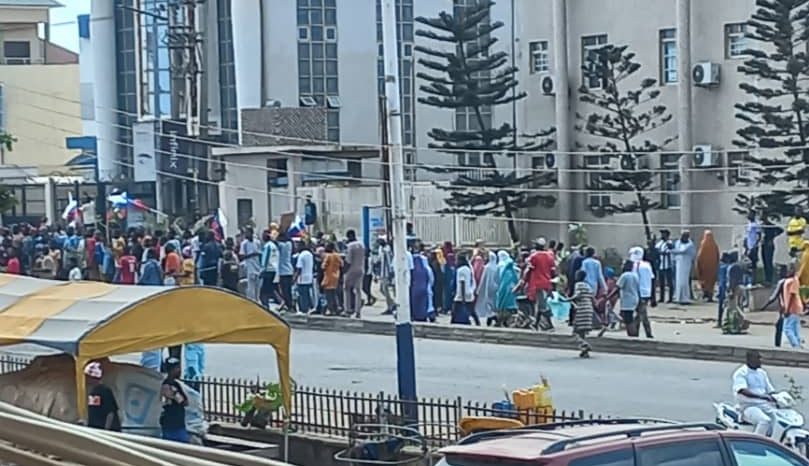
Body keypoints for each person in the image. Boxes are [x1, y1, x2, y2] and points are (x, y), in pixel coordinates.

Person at [732, 350, 778, 438]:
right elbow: (742, 390)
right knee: (764, 421)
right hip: (749, 406)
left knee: (777, 420)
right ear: (749, 359)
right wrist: (762, 397)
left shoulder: (762, 373)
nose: (760, 361)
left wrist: (777, 398)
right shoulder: (741, 373)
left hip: (764, 404)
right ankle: (757, 442)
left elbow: (770, 390)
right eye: (757, 358)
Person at [526, 238, 556, 330]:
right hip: (547, 283)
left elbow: (529, 269)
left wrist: (525, 281)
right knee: (540, 305)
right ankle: (536, 324)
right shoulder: (549, 256)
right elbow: (553, 271)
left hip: (537, 283)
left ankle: (550, 325)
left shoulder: (534, 256)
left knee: (542, 306)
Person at [84, 362, 121, 432]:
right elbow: (93, 411)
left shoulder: (105, 391)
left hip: (105, 431)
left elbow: (111, 413)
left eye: (87, 377)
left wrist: (106, 430)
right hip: (95, 430)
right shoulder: (93, 392)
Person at [160, 357, 189, 443]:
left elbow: (186, 401)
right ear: (171, 370)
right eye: (177, 368)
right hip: (171, 423)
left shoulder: (176, 384)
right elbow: (182, 401)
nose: (179, 370)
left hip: (179, 422)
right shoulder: (166, 386)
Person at [629, 247, 654, 338]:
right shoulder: (647, 265)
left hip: (638, 292)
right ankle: (642, 332)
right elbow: (652, 279)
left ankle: (641, 332)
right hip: (647, 292)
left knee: (641, 313)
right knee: (641, 313)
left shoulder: (634, 266)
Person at [611, 261, 640, 337]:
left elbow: (617, 288)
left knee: (628, 318)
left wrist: (608, 296)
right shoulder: (635, 275)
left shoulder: (624, 276)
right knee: (628, 316)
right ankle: (632, 332)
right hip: (634, 298)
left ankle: (632, 334)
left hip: (627, 300)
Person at [569, 270, 594, 358]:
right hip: (589, 308)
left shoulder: (578, 285)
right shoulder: (588, 286)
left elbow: (577, 295)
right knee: (582, 331)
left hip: (582, 309)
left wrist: (568, 299)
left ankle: (584, 345)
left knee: (575, 332)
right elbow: (592, 297)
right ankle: (584, 352)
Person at [343, 230, 365, 317]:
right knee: (358, 290)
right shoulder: (361, 244)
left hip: (351, 270)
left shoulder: (350, 246)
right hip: (360, 268)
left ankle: (347, 309)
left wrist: (344, 270)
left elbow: (348, 260)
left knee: (346, 289)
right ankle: (358, 311)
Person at [671, 231, 696, 305]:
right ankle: (678, 297)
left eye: (684, 236)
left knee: (683, 282)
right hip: (678, 263)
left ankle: (685, 298)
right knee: (678, 281)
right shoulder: (678, 242)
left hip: (685, 264)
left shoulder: (690, 245)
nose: (681, 238)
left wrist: (672, 250)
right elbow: (676, 249)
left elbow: (682, 251)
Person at [475, 251, 499, 326]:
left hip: (488, 287)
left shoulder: (487, 267)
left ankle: (492, 317)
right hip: (495, 287)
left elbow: (483, 278)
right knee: (493, 303)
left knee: (488, 303)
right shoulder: (497, 267)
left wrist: (479, 289)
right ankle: (492, 318)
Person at [782, 266, 803, 348]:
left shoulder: (793, 280)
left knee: (787, 329)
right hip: (795, 307)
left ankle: (796, 345)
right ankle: (798, 343)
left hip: (792, 308)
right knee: (795, 328)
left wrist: (787, 309)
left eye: (790, 269)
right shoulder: (793, 280)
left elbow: (791, 295)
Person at [695, 230, 720, 301]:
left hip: (706, 268)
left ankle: (707, 295)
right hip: (709, 268)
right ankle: (708, 295)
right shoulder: (714, 245)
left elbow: (698, 257)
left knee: (707, 282)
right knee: (709, 282)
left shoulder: (703, 244)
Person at [495, 250, 518, 326]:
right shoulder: (511, 267)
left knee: (501, 304)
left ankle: (500, 320)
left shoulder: (501, 265)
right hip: (511, 288)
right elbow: (516, 278)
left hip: (502, 288)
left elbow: (498, 278)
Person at [239, 228, 262, 302]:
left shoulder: (257, 242)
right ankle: (252, 301)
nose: (246, 234)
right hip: (250, 268)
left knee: (258, 288)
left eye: (247, 232)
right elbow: (242, 256)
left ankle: (257, 301)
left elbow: (261, 254)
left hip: (258, 267)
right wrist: (252, 254)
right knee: (251, 288)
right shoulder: (244, 244)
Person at [259, 231, 281, 308]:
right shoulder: (274, 246)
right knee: (271, 289)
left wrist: (262, 270)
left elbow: (265, 259)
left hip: (268, 270)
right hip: (274, 270)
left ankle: (266, 307)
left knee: (263, 292)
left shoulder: (267, 246)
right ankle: (281, 301)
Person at [452, 255, 475, 325]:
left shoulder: (460, 270)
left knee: (455, 310)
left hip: (461, 294)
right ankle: (477, 322)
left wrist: (463, 298)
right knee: (471, 310)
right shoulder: (468, 269)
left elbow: (462, 283)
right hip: (469, 293)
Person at [761, 217, 784, 285]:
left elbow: (780, 230)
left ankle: (769, 279)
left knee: (768, 262)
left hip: (769, 245)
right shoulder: (762, 225)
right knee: (764, 262)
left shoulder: (770, 225)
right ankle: (766, 279)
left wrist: (772, 238)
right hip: (763, 244)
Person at [321, 242, 342, 315]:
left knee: (329, 295)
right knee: (334, 294)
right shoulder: (337, 255)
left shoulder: (328, 256)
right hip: (336, 276)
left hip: (328, 277)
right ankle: (337, 308)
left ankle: (331, 310)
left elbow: (323, 266)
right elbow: (341, 264)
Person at [295, 242, 315, 314]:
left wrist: (295, 277)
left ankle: (303, 309)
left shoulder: (301, 255)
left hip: (302, 278)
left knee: (302, 294)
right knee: (307, 293)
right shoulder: (309, 254)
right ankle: (310, 307)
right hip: (309, 276)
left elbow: (299, 268)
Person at [655, 230, 674, 303]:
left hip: (667, 265)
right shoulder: (660, 243)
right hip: (660, 265)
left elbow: (670, 250)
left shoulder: (669, 243)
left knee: (669, 283)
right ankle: (661, 298)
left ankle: (670, 298)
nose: (662, 235)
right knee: (661, 282)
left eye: (664, 234)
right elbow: (657, 250)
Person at [744, 212, 761, 281]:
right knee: (747, 264)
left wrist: (755, 245)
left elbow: (758, 235)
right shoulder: (748, 224)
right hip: (748, 246)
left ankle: (754, 280)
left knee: (753, 264)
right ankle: (748, 280)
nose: (748, 215)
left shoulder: (756, 225)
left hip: (753, 246)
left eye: (750, 214)